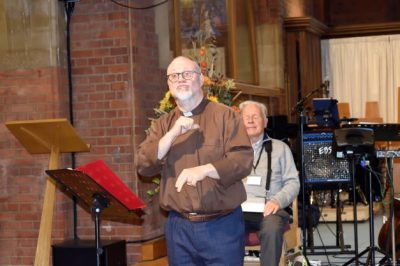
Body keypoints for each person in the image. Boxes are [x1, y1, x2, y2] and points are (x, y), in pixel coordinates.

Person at [136, 56, 253, 265]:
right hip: (178, 228)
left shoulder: (226, 117)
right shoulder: (163, 125)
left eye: (187, 74)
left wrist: (206, 169)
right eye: (174, 76)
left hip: (221, 227)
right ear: (168, 85)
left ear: (200, 80)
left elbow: (243, 159)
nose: (180, 79)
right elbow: (143, 165)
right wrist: (171, 135)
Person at [239, 100, 300, 266]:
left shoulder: (280, 149)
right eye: (246, 117)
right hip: (239, 210)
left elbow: (293, 182)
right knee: (221, 225)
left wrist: (277, 201)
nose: (251, 121)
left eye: (255, 117)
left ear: (265, 121)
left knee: (272, 228)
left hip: (270, 210)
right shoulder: (232, 151)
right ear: (240, 121)